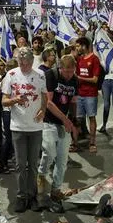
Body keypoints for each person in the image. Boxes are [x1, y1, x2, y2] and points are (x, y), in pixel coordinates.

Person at [2, 47, 47, 213]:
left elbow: (45, 95)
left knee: (33, 164)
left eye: (27, 63)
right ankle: (21, 196)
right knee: (20, 165)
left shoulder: (40, 75)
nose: (24, 66)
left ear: (32, 61)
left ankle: (32, 196)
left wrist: (43, 110)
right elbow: (4, 101)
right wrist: (15, 100)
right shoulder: (11, 74)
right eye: (21, 63)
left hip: (35, 127)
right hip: (18, 126)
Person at [40, 53, 80, 212]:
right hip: (48, 121)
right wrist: (65, 119)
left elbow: (73, 101)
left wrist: (74, 121)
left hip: (64, 123)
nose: (69, 75)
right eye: (66, 71)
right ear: (60, 68)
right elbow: (48, 102)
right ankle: (41, 177)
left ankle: (56, 189)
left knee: (62, 159)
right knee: (49, 152)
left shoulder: (75, 80)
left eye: (71, 71)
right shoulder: (51, 75)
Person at [74, 35, 103, 153]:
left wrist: (80, 78)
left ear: (84, 46)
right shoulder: (79, 59)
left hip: (90, 94)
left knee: (91, 117)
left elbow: (95, 79)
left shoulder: (94, 59)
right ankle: (75, 143)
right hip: (80, 94)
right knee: (78, 120)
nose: (76, 48)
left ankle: (92, 143)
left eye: (78, 46)